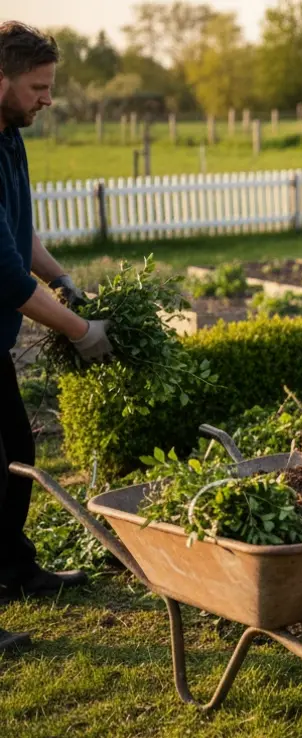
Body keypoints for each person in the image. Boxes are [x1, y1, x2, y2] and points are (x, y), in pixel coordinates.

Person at [0, 22, 113, 650]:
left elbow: (22, 236)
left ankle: (13, 571)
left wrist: (66, 279)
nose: (48, 98)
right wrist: (81, 331)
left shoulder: (11, 138)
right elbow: (4, 275)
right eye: (38, 86)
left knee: (17, 451)